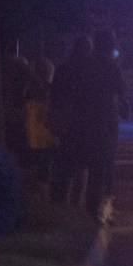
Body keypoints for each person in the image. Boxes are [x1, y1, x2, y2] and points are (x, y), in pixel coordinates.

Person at [81, 29, 130, 223]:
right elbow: (122, 88)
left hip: (88, 119)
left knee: (93, 163)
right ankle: (103, 207)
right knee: (107, 162)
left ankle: (91, 207)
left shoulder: (86, 66)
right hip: (107, 120)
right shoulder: (111, 66)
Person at [48, 36, 93, 207]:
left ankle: (65, 203)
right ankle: (77, 203)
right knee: (82, 165)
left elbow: (54, 96)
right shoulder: (90, 72)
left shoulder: (62, 69)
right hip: (84, 123)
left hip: (66, 122)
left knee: (67, 164)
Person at [24, 57, 58, 190]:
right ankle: (44, 192)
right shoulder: (50, 90)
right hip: (47, 135)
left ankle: (35, 191)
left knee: (36, 166)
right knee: (46, 167)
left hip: (33, 136)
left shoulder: (29, 89)